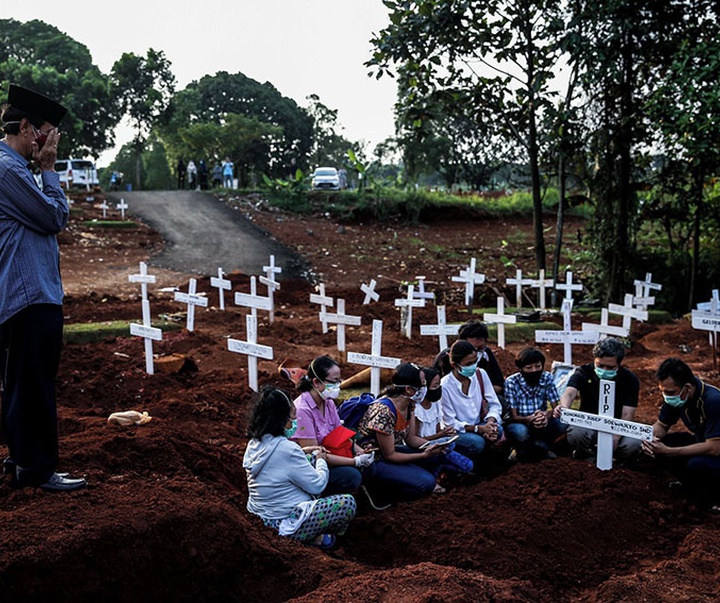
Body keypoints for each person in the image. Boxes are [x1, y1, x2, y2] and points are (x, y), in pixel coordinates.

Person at [0, 84, 86, 492]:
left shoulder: (15, 168)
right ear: (28, 127)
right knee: (33, 384)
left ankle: (21, 462)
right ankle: (36, 469)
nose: (50, 142)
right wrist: (50, 169)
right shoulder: (8, 169)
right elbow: (54, 216)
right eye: (48, 132)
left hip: (29, 295)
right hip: (29, 295)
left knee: (23, 381)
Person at [243, 387, 357, 549]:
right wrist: (321, 460)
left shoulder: (255, 443)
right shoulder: (287, 449)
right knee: (347, 504)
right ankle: (315, 537)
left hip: (261, 517)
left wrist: (305, 453)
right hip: (286, 522)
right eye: (292, 415)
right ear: (281, 419)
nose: (295, 419)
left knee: (309, 459)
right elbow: (317, 485)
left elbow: (279, 462)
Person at [355, 363, 446, 506]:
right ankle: (383, 493)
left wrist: (433, 446)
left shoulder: (409, 404)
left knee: (437, 455)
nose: (425, 388)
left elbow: (411, 439)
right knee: (426, 483)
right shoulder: (384, 411)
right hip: (375, 459)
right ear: (409, 389)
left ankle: (410, 478)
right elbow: (389, 455)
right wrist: (423, 455)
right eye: (423, 384)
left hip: (391, 453)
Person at [642, 358, 720, 512]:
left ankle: (713, 498)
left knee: (696, 465)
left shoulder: (713, 401)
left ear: (687, 387)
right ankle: (691, 487)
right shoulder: (676, 398)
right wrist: (648, 438)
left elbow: (715, 448)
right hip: (702, 442)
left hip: (716, 450)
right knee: (665, 443)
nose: (666, 396)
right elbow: (662, 425)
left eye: (670, 392)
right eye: (663, 391)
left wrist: (669, 451)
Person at [292, 355, 373, 496]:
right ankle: (318, 498)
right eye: (334, 381)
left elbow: (339, 433)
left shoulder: (327, 401)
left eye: (339, 380)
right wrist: (354, 461)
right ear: (316, 382)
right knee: (351, 476)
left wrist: (359, 450)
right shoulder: (302, 411)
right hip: (312, 466)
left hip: (329, 454)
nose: (338, 385)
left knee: (370, 468)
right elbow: (314, 455)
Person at [554, 337, 641, 462]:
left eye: (610, 367)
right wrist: (565, 407)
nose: (604, 370)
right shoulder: (584, 372)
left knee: (633, 444)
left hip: (616, 427)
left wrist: (616, 437)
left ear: (619, 364)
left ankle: (616, 461)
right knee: (576, 433)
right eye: (600, 365)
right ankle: (584, 455)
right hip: (588, 424)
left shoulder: (630, 379)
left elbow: (628, 413)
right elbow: (569, 392)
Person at [440, 340, 505, 468]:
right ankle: (465, 466)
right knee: (477, 443)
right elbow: (450, 422)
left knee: (498, 430)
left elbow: (494, 403)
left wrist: (490, 422)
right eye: (469, 364)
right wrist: (478, 429)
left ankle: (485, 466)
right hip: (458, 431)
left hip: (479, 424)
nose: (473, 366)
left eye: (475, 361)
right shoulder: (445, 386)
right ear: (454, 364)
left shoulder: (480, 374)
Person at [414, 367, 473, 491]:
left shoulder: (435, 404)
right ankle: (433, 478)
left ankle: (441, 471)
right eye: (435, 386)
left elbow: (437, 431)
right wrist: (440, 435)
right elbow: (414, 439)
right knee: (447, 449)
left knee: (467, 466)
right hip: (422, 448)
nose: (438, 389)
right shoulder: (416, 409)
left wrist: (444, 434)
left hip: (436, 445)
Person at [504, 347, 566, 461]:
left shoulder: (547, 377)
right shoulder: (511, 382)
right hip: (521, 421)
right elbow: (514, 416)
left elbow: (555, 407)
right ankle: (519, 450)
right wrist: (531, 419)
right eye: (529, 368)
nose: (534, 370)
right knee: (520, 432)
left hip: (542, 419)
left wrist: (545, 415)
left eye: (538, 366)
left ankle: (545, 447)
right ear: (520, 368)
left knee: (562, 422)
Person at [433, 319, 505, 396]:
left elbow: (499, 385)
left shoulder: (486, 355)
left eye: (480, 348)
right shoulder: (444, 358)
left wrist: (480, 392)